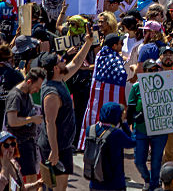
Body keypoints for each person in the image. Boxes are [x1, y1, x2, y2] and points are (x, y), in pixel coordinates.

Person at [38, 36, 93, 191]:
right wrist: (55, 151)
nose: (64, 61)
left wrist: (88, 43)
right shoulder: (52, 93)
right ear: (55, 68)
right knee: (58, 187)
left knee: (54, 186)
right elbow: (50, 123)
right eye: (61, 60)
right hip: (56, 147)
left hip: (63, 145)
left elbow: (76, 63)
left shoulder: (59, 79)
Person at [127, 60, 167, 190]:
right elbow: (130, 109)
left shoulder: (165, 85)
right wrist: (135, 118)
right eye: (150, 70)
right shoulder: (136, 87)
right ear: (144, 72)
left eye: (156, 70)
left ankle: (153, 185)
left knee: (156, 161)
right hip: (141, 130)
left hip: (159, 130)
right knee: (139, 161)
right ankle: (147, 178)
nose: (153, 73)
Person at [6, 67, 45, 185]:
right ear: (29, 82)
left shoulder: (27, 94)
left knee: (32, 177)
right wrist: (32, 119)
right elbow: (12, 121)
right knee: (26, 179)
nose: (37, 91)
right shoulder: (15, 96)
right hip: (19, 144)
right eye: (36, 87)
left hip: (28, 143)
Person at [84, 102, 134, 191]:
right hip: (114, 183)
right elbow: (132, 142)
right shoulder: (117, 134)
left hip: (95, 180)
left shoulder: (90, 129)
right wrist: (124, 124)